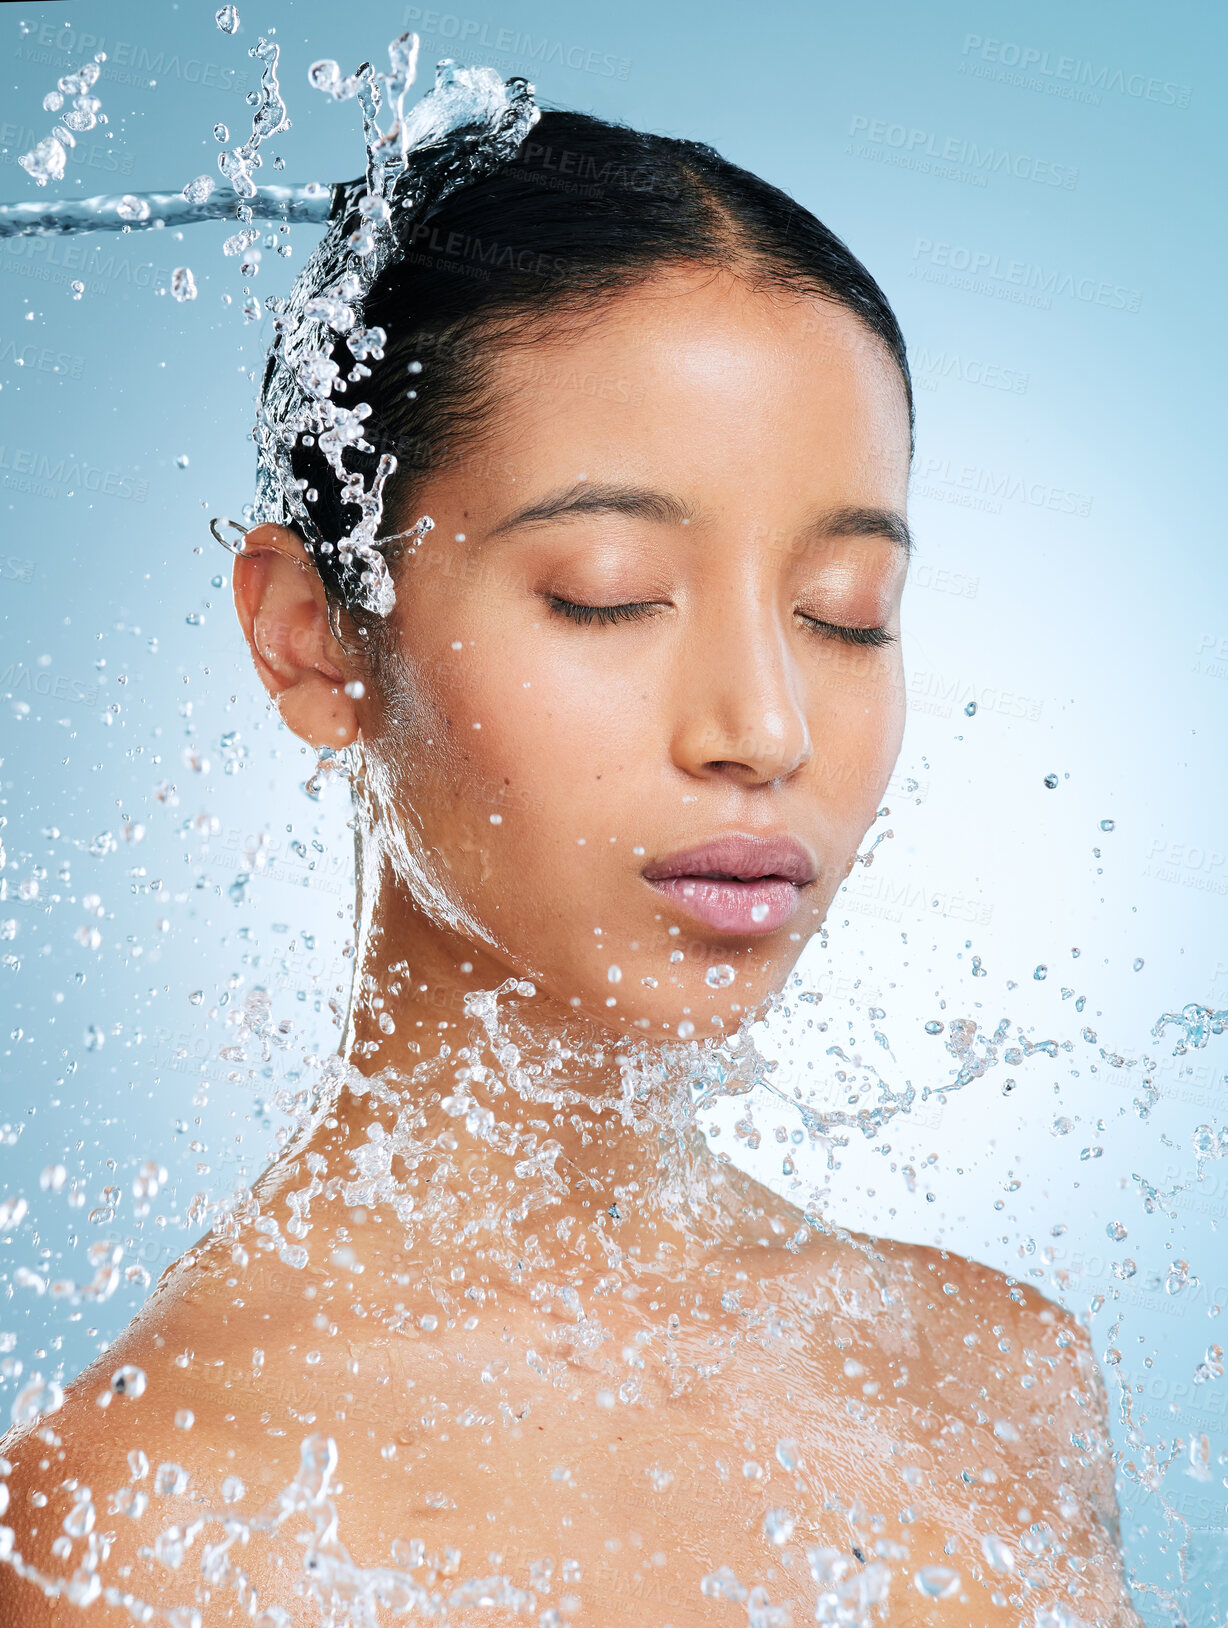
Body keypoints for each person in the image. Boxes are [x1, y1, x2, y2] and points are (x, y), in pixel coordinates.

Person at [0, 109, 1139, 1626]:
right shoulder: (141, 1512)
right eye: (609, 596)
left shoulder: (1004, 1384)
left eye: (848, 610)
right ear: (314, 633)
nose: (764, 726)